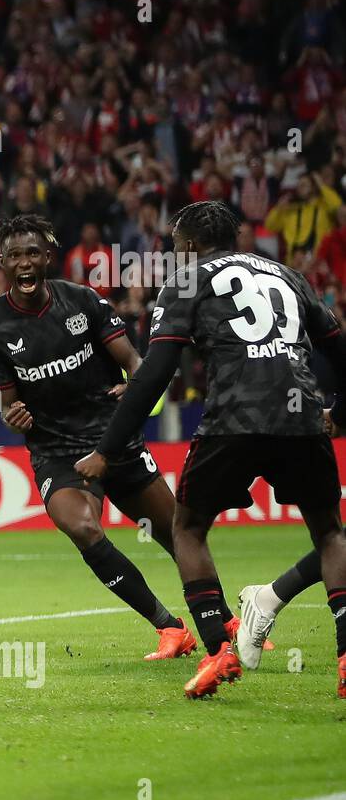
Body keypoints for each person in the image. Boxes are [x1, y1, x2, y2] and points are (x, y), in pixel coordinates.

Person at [76, 201, 346, 698]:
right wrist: (340, 412)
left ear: (191, 243)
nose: (175, 252)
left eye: (177, 243)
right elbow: (339, 347)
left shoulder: (187, 281)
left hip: (234, 421)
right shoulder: (286, 274)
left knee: (188, 527)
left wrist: (107, 450)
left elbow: (153, 373)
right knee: (330, 532)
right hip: (302, 417)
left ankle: (220, 651)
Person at [0, 214, 198, 660]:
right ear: (2, 262)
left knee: (179, 535)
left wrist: (134, 387)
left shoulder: (82, 301)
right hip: (56, 451)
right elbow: (6, 404)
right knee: (82, 526)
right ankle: (169, 628)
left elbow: (135, 363)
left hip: (113, 439)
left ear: (47, 257)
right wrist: (11, 417)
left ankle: (226, 621)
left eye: (32, 253)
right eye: (14, 255)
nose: (24, 262)